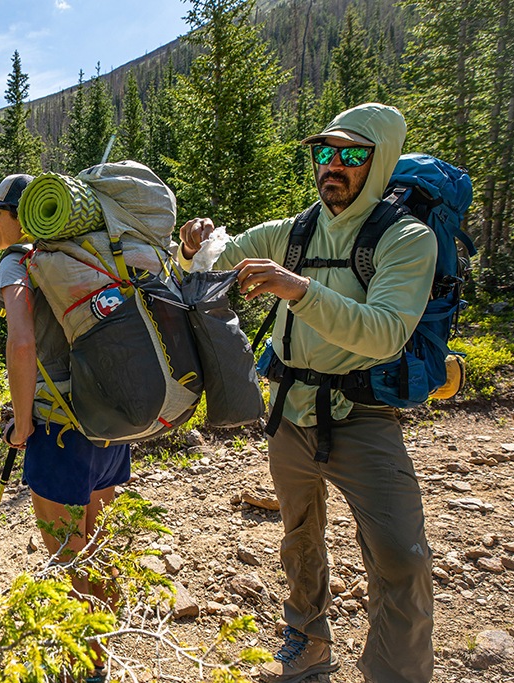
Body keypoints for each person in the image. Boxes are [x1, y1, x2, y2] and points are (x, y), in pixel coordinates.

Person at [179, 103, 435, 683]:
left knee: (400, 555)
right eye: (325, 152)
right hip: (290, 413)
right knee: (299, 537)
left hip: (363, 415)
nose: (334, 166)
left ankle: (399, 672)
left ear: (381, 160)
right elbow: (216, 260)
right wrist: (193, 249)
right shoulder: (295, 230)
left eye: (351, 155)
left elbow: (385, 333)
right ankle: (309, 641)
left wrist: (301, 290)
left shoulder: (407, 239)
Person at [0, 174, 131, 682]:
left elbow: (22, 346)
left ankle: (84, 664)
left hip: (57, 427)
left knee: (65, 547)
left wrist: (20, 425)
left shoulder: (18, 263)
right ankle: (104, 643)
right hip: (108, 419)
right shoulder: (85, 255)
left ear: (23, 214)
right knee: (98, 539)